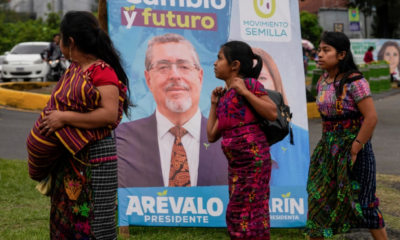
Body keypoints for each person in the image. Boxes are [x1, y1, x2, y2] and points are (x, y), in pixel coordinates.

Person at [27, 11, 130, 240]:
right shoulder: (75, 69)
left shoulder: (102, 71)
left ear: (70, 42)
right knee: (67, 216)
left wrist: (64, 118)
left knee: (94, 220)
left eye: (61, 38)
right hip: (70, 157)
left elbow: (108, 114)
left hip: (94, 159)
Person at [116, 33, 228, 188]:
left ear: (200, 77)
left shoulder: (232, 138)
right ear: (149, 80)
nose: (175, 76)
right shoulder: (121, 140)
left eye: (184, 66)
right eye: (163, 67)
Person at [304, 32, 388, 239]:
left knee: (365, 203)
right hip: (328, 151)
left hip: (355, 150)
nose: (319, 55)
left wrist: (355, 149)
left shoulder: (355, 80)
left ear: (341, 54)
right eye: (319, 50)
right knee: (319, 201)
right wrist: (325, 150)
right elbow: (326, 120)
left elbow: (371, 118)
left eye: (326, 51)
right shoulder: (322, 81)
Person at [207, 41, 277, 239]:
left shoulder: (250, 85)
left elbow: (272, 113)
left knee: (246, 213)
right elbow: (211, 135)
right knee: (241, 213)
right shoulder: (226, 96)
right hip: (237, 165)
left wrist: (245, 92)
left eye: (219, 58)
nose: (215, 63)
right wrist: (214, 104)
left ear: (234, 65)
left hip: (253, 162)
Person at [252, 47, 310, 187]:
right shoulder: (222, 137)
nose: (255, 84)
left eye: (262, 78)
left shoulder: (299, 138)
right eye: (248, 77)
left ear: (275, 83)